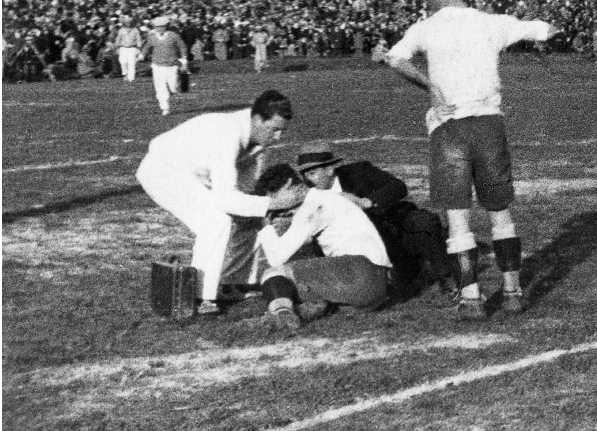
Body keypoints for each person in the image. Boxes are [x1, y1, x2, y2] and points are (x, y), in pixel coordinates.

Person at [384, 0, 555, 321]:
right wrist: (545, 31)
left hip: (449, 127)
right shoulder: (492, 22)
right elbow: (544, 29)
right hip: (489, 124)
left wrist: (431, 86)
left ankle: (472, 298)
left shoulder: (426, 27)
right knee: (500, 212)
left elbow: (395, 59)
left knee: (458, 217)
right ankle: (512, 292)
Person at [135, 90, 298, 317]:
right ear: (257, 119)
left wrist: (264, 207)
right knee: (215, 220)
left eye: (282, 131)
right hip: (162, 171)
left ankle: (235, 284)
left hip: (191, 174)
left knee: (250, 218)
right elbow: (226, 200)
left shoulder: (258, 140)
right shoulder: (228, 135)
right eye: (274, 129)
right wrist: (273, 203)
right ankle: (199, 297)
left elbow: (246, 191)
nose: (278, 137)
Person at [294, 142, 456, 300]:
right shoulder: (311, 197)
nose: (308, 180)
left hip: (392, 230)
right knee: (399, 289)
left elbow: (398, 187)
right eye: (305, 175)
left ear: (329, 169)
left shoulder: (359, 172)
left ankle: (446, 276)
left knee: (422, 221)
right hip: (365, 251)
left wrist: (365, 202)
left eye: (312, 173)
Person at [250, 164, 394, 331]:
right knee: (296, 283)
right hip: (379, 283)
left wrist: (264, 226)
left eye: (275, 198)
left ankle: (282, 315)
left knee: (274, 273)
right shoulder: (326, 197)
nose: (275, 206)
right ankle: (317, 307)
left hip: (359, 272)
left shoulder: (312, 205)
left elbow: (276, 258)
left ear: (290, 185)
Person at [140, 16, 188, 116]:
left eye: (162, 26)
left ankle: (170, 93)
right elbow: (147, 47)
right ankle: (165, 107)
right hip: (157, 65)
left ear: (166, 26)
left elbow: (182, 47)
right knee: (160, 86)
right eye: (157, 26)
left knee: (173, 87)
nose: (159, 28)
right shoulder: (152, 37)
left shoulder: (173, 36)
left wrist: (184, 60)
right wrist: (142, 55)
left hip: (172, 65)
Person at [114, 15, 144, 82]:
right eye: (127, 22)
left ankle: (131, 78)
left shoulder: (135, 30)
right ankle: (125, 74)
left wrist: (139, 48)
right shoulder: (121, 30)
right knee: (123, 61)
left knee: (132, 62)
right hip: (123, 48)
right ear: (124, 23)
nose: (128, 23)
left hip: (132, 48)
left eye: (130, 22)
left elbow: (138, 39)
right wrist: (117, 47)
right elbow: (118, 38)